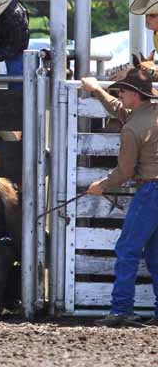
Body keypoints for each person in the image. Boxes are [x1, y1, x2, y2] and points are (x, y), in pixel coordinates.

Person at [81, 69, 158, 327]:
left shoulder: (132, 129)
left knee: (127, 249)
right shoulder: (150, 113)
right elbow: (120, 109)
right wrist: (97, 90)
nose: (119, 94)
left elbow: (125, 171)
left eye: (122, 91)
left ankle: (122, 309)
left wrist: (101, 185)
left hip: (151, 192)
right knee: (155, 254)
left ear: (134, 95)